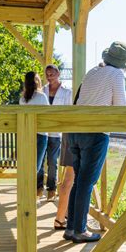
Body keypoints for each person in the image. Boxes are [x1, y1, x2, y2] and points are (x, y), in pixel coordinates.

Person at [63, 41, 126, 243]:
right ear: (122, 63)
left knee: (79, 180)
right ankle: (80, 230)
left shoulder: (93, 71)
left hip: (76, 131)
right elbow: (120, 105)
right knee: (86, 182)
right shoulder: (117, 74)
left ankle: (71, 227)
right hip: (96, 132)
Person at [39, 64, 72, 201]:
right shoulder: (42, 91)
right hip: (42, 131)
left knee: (52, 161)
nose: (49, 77)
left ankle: (51, 189)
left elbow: (69, 111)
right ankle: (38, 188)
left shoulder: (67, 92)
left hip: (56, 132)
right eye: (47, 75)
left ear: (58, 74)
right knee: (40, 161)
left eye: (52, 74)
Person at [19, 72, 49, 176]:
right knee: (35, 167)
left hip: (26, 134)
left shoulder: (22, 99)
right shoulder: (42, 97)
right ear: (37, 82)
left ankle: (25, 190)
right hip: (40, 134)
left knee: (26, 165)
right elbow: (48, 115)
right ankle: (31, 191)